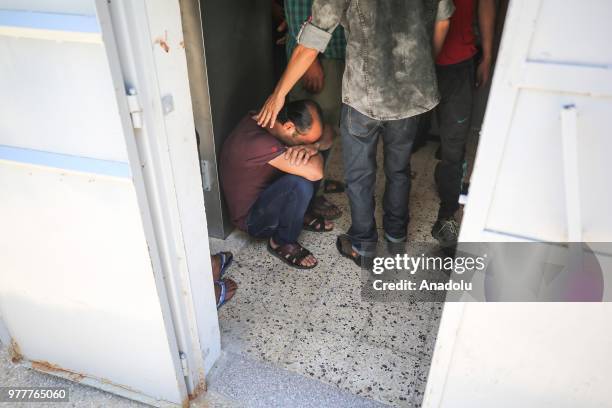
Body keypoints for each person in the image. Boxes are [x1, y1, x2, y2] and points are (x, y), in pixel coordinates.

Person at [256, 0, 454, 265]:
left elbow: (313, 38)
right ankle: (396, 238)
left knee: (360, 175)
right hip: (409, 95)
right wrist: (421, 71)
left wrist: (278, 94)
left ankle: (363, 244)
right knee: (398, 168)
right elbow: (443, 20)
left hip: (363, 95)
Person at [220, 99, 334, 269]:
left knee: (311, 155)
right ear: (289, 127)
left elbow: (329, 133)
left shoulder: (271, 119)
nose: (308, 145)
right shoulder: (258, 143)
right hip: (254, 219)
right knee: (300, 182)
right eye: (305, 141)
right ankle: (281, 241)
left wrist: (314, 145)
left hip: (272, 189)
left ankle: (303, 212)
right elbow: (316, 172)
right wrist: (312, 149)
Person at [430, 0, 496, 247]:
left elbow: (486, 5)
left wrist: (487, 56)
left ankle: (447, 214)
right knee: (403, 143)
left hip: (458, 62)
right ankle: (396, 222)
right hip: (412, 63)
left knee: (454, 146)